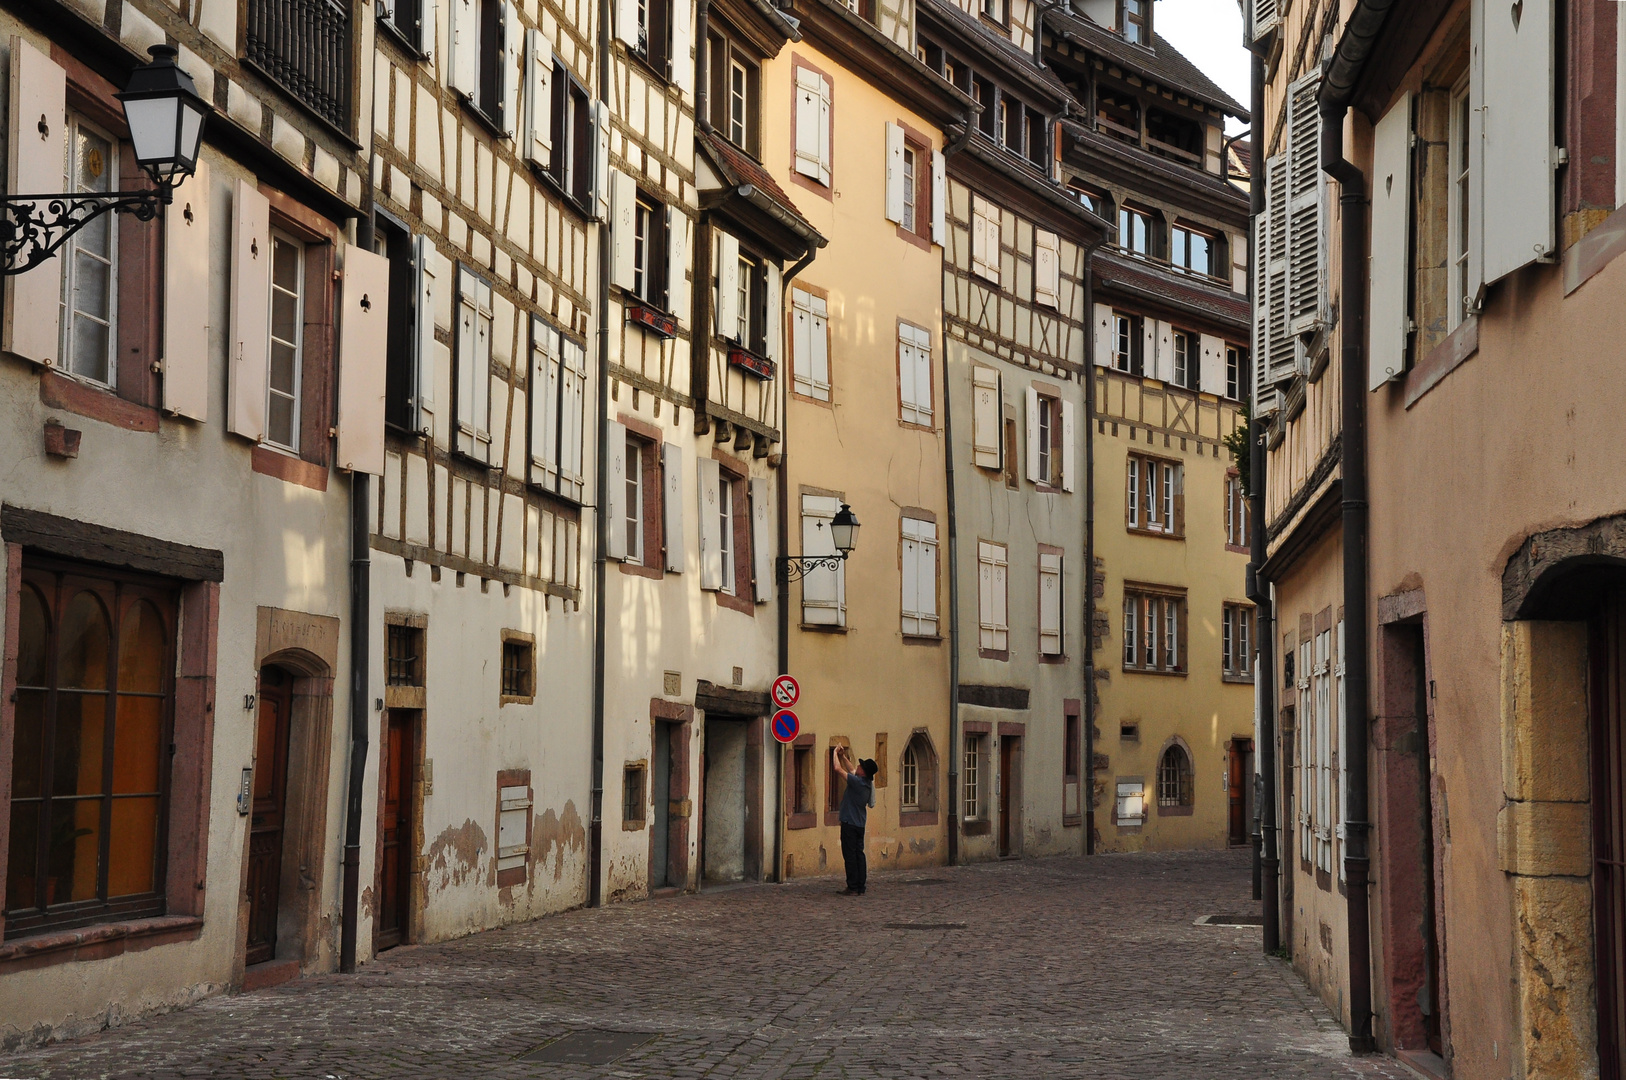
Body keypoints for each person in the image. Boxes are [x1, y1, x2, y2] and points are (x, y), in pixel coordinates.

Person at [831, 747, 877, 895]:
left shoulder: (857, 783)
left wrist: (834, 753)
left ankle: (852, 887)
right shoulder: (866, 783)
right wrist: (844, 757)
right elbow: (851, 770)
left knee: (850, 855)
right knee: (859, 855)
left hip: (850, 823)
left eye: (860, 766)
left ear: (863, 771)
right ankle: (860, 886)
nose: (857, 766)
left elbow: (837, 769)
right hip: (859, 824)